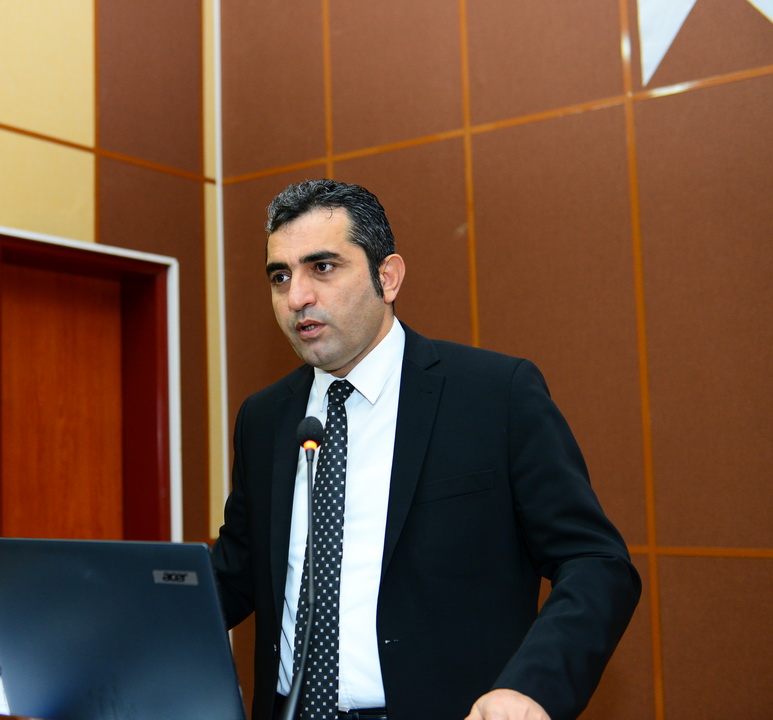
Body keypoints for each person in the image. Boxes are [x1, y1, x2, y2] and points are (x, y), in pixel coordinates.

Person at [211, 179, 640, 720]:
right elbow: (236, 574)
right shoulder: (264, 417)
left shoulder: (494, 395)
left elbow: (596, 562)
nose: (297, 297)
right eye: (280, 276)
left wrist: (531, 688)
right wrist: (128, 615)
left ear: (387, 277)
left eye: (322, 267)